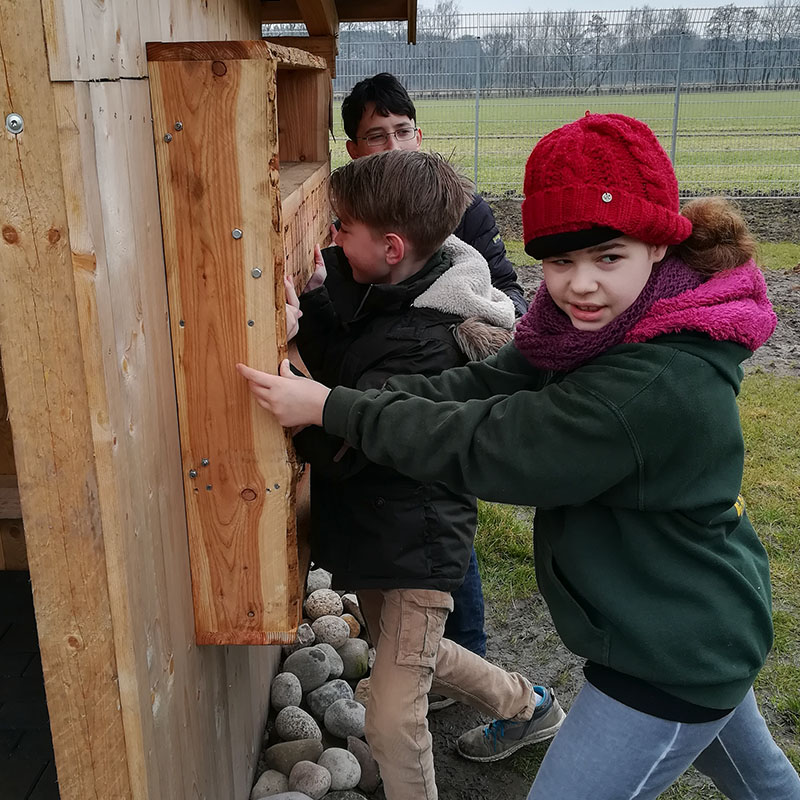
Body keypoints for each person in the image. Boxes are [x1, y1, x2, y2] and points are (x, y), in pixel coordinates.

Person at [237, 114, 800, 799]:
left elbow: (493, 441)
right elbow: (479, 384)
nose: (580, 284)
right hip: (693, 618)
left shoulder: (648, 383)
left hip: (667, 657)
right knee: (764, 783)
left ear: (658, 245)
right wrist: (340, 397)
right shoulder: (586, 332)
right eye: (560, 261)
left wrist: (334, 408)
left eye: (607, 256)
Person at [241, 149, 564, 800]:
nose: (331, 236)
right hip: (383, 534)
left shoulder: (427, 338)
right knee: (416, 655)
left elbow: (353, 440)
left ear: (390, 246)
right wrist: (312, 310)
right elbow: (356, 362)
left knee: (391, 718)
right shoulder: (401, 294)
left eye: (341, 227)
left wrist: (300, 389)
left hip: (417, 547)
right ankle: (529, 705)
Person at [342, 72, 524, 666]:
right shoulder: (354, 210)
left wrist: (472, 329)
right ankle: (429, 656)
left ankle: (465, 648)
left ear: (419, 134)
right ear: (352, 149)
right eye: (376, 136)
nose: (393, 146)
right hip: (386, 369)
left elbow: (505, 291)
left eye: (402, 132)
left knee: (441, 510)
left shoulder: (458, 206)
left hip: (440, 377)